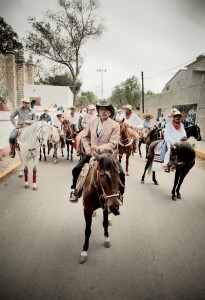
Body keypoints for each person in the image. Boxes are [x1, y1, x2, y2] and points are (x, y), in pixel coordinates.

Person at [69, 100, 125, 203]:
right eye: (101, 109)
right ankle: (76, 192)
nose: (104, 111)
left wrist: (100, 148)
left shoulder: (115, 125)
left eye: (106, 110)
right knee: (76, 169)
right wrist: (89, 150)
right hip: (92, 153)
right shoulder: (92, 122)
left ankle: (119, 195)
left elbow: (113, 143)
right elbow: (85, 138)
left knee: (121, 173)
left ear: (110, 112)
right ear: (98, 111)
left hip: (107, 155)